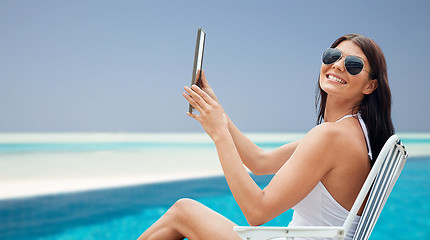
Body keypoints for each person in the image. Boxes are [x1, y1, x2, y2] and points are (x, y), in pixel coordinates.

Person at [138, 33, 394, 240]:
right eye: (333, 56)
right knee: (184, 211)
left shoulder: (331, 136)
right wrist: (219, 113)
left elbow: (257, 211)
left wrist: (219, 135)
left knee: (184, 212)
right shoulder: (353, 132)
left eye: (353, 65)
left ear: (370, 85)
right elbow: (260, 162)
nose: (338, 65)